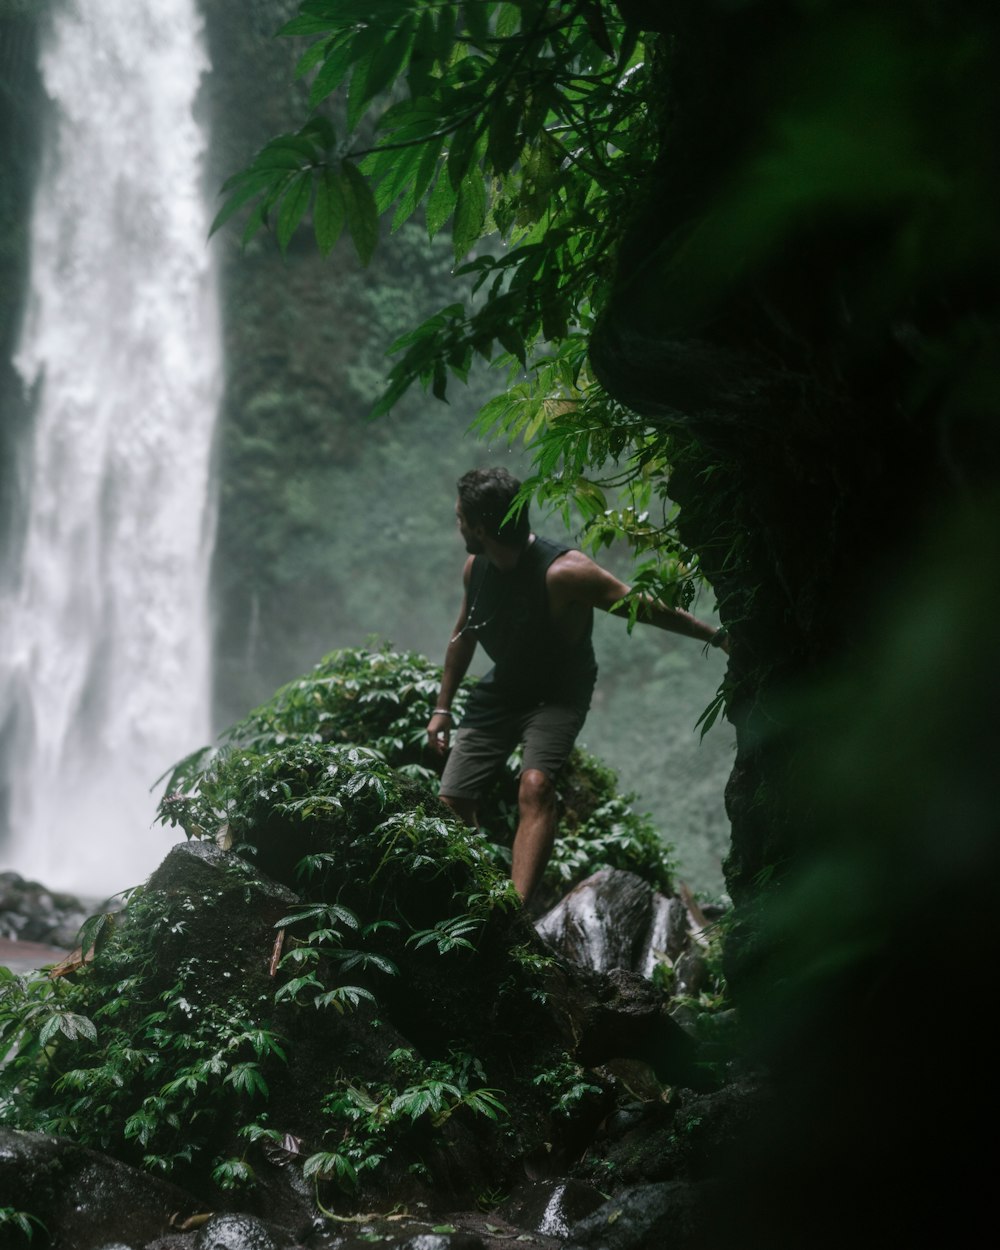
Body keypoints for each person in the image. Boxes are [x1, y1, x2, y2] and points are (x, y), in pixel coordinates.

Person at [427, 467, 729, 905]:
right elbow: (464, 634)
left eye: (460, 518)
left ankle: (514, 913)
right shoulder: (477, 568)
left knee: (535, 786)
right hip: (503, 689)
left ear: (479, 527)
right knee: (452, 801)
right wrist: (443, 707)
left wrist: (715, 635)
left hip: (557, 695)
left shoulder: (562, 572)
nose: (456, 525)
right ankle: (484, 896)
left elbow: (640, 606)